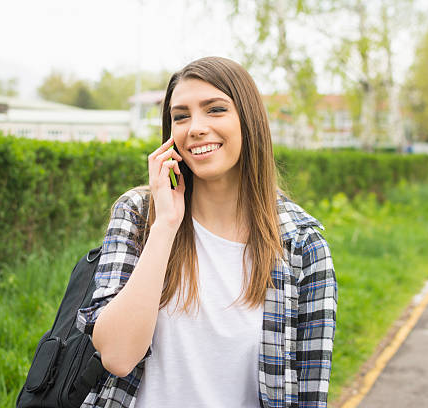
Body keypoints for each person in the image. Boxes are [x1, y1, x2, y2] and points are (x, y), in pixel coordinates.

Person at [76, 56, 337, 408]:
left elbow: (309, 395)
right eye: (180, 116)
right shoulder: (138, 214)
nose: (195, 127)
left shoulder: (302, 246)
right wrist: (165, 225)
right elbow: (118, 357)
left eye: (215, 110)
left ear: (249, 120)